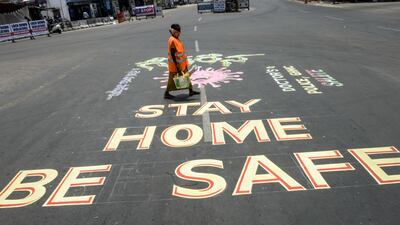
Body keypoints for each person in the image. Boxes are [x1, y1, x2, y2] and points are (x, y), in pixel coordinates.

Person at [165, 24, 200, 99]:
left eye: (179, 32)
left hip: (182, 64)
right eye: (178, 32)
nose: (179, 33)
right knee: (171, 80)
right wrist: (177, 67)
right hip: (175, 66)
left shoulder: (176, 38)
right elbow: (173, 55)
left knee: (186, 77)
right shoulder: (172, 40)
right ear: (174, 32)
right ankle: (166, 93)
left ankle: (191, 91)